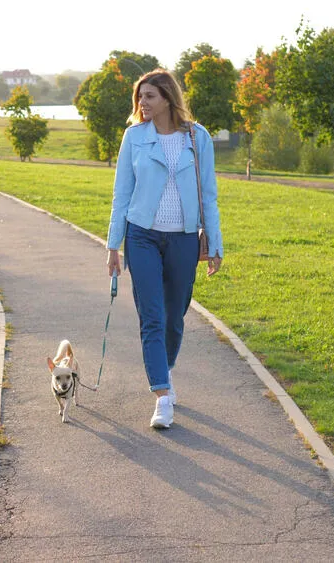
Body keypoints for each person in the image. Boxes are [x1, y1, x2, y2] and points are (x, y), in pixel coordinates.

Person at [105, 69, 223, 429]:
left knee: (175, 317)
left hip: (184, 238)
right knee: (152, 318)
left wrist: (214, 244)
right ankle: (162, 398)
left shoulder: (197, 137)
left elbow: (209, 194)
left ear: (168, 98)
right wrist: (113, 245)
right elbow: (121, 193)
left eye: (150, 96)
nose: (142, 103)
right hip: (141, 236)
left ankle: (164, 371)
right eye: (140, 97)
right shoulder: (134, 137)